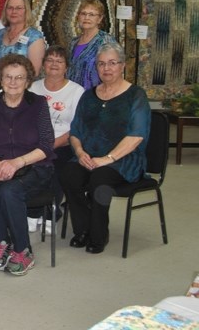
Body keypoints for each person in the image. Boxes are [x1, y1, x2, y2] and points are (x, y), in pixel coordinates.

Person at [58, 43, 150, 254]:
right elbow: (76, 132)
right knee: (69, 174)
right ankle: (83, 229)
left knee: (99, 180)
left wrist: (107, 158)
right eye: (101, 64)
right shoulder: (88, 96)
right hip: (89, 156)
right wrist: (80, 153)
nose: (106, 68)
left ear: (122, 66)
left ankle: (98, 235)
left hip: (124, 159)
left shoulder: (136, 95)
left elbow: (136, 136)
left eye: (112, 63)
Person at [0, 54, 55, 276]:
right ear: (0, 79)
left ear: (28, 81)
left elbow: (47, 146)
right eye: (8, 77)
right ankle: (1, 243)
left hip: (33, 167)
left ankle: (23, 250)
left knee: (10, 191)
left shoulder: (38, 104)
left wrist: (17, 162)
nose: (13, 82)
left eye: (19, 77)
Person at [29, 46, 84, 233]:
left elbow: (77, 127)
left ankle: (51, 212)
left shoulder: (76, 91)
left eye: (59, 61)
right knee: (30, 166)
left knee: (56, 165)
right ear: (43, 64)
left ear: (66, 67)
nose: (54, 64)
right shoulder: (33, 88)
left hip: (64, 143)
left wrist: (51, 144)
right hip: (34, 143)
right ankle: (33, 210)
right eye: (50, 60)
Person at [67, 0, 116, 90]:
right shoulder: (73, 42)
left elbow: (113, 72)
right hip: (73, 95)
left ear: (100, 19)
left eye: (92, 15)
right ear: (78, 17)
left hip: (96, 96)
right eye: (83, 14)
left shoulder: (106, 41)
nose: (87, 17)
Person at [0, 0, 46, 76]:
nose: (14, 11)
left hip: (23, 86)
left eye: (19, 8)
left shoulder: (34, 36)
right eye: (10, 8)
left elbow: (34, 73)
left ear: (26, 11)